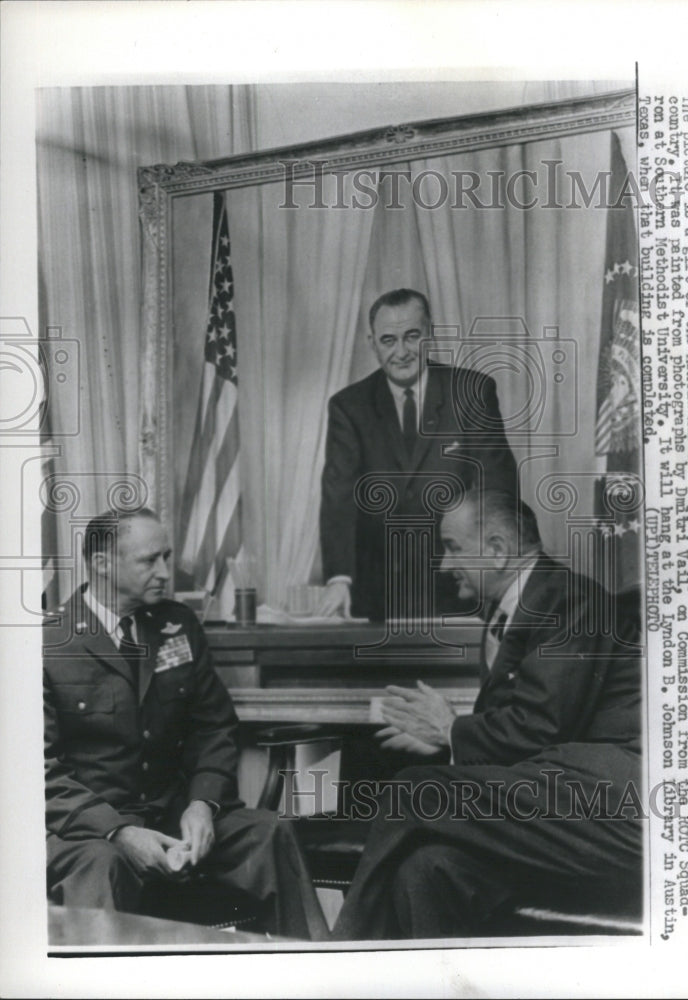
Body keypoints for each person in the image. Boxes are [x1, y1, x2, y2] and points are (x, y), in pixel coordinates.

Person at [331, 489, 643, 940]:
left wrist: (452, 732)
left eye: (453, 547)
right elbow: (522, 735)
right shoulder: (510, 616)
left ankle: (339, 965)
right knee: (428, 869)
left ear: (497, 550)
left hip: (617, 806)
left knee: (415, 791)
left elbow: (541, 727)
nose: (443, 564)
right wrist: (452, 740)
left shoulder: (569, 600)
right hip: (564, 806)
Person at [44, 507, 327, 940]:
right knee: (101, 865)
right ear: (102, 563)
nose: (164, 571)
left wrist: (203, 805)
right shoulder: (47, 644)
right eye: (148, 560)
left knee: (269, 833)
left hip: (174, 815)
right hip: (89, 831)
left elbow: (213, 727)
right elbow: (36, 772)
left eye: (166, 556)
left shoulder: (177, 625)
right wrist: (118, 831)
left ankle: (316, 978)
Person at [318, 288, 517, 622]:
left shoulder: (471, 393)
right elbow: (339, 497)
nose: (401, 352)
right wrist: (339, 578)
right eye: (388, 340)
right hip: (376, 598)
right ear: (372, 343)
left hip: (461, 589)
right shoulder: (348, 407)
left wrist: (491, 573)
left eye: (412, 337)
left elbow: (497, 488)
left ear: (431, 334)